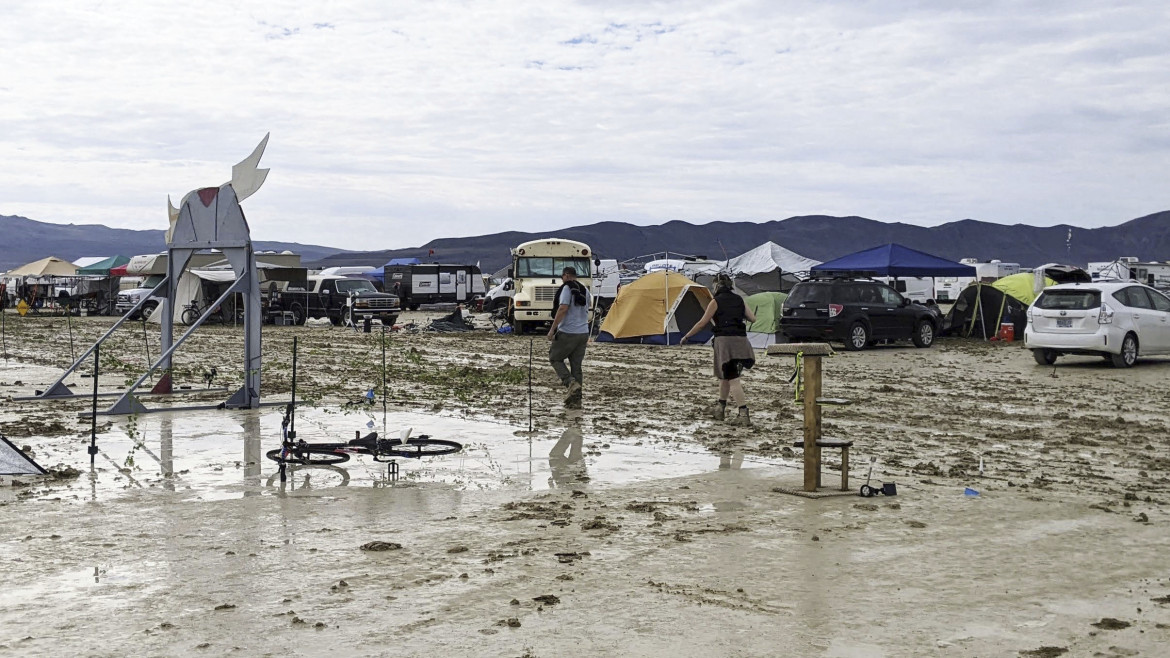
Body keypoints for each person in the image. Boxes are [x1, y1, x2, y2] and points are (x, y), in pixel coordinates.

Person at [680, 274, 756, 426]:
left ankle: (743, 413)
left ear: (716, 286)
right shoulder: (739, 299)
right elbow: (752, 318)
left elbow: (702, 323)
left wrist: (687, 336)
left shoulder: (716, 301)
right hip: (741, 341)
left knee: (733, 379)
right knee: (725, 377)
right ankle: (720, 408)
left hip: (725, 342)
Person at [547, 266, 591, 409]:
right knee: (576, 366)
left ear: (566, 275)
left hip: (568, 332)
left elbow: (563, 308)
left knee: (555, 358)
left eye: (562, 277)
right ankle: (576, 401)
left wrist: (552, 329)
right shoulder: (586, 290)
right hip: (583, 332)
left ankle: (571, 383)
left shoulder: (567, 289)